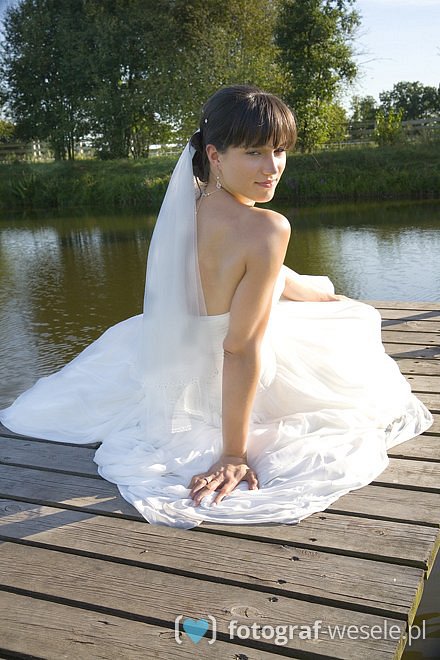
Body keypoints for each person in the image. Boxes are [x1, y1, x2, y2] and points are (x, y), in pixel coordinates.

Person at [0, 85, 433, 528]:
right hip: (227, 372)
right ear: (215, 154)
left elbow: (247, 271)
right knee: (356, 323)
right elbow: (239, 348)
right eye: (254, 152)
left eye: (279, 150)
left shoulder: (187, 205)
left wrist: (307, 290)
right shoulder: (267, 228)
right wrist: (233, 453)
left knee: (329, 303)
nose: (272, 167)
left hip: (170, 351)